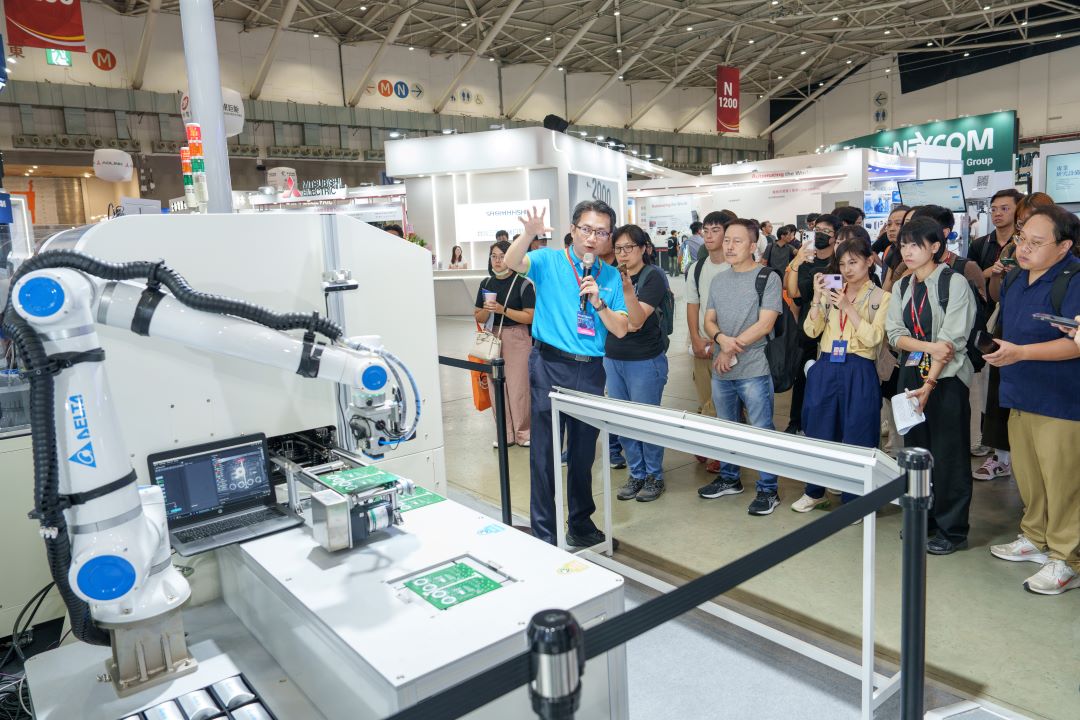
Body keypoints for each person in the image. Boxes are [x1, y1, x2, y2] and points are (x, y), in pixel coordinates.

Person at [504, 201, 637, 547]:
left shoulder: (610, 276)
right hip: (550, 365)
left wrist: (599, 303)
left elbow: (621, 329)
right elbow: (512, 262)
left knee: (583, 454)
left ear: (609, 236)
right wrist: (528, 235)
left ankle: (580, 524)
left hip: (591, 370)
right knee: (545, 455)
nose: (593, 238)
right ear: (573, 229)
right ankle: (545, 535)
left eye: (601, 232)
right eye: (587, 229)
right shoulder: (548, 260)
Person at [985, 205, 1080, 595]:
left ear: (1064, 247)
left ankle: (1067, 558)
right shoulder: (1015, 278)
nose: (1023, 248)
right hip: (1019, 391)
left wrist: (1022, 353)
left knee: (1063, 482)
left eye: (1036, 243)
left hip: (1061, 400)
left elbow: (1076, 344)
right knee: (1029, 475)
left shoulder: (1073, 280)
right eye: (1022, 239)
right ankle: (1035, 536)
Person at [886, 216, 976, 555]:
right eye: (903, 245)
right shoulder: (902, 286)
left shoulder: (954, 283)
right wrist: (928, 348)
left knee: (949, 454)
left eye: (915, 245)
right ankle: (924, 519)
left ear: (935, 246)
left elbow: (951, 341)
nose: (907, 252)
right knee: (917, 451)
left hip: (946, 379)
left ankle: (953, 529)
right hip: (912, 375)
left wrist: (931, 381)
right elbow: (895, 334)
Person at [792, 229, 891, 512]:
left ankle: (854, 500)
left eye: (853, 262)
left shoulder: (882, 297)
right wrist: (817, 298)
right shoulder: (832, 291)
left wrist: (847, 307)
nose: (847, 269)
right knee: (818, 429)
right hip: (826, 365)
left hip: (859, 367)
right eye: (843, 263)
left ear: (869, 261)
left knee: (858, 432)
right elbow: (812, 330)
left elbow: (874, 338)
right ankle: (814, 491)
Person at [700, 219, 784, 516]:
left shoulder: (767, 278)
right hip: (722, 368)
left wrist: (729, 348)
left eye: (737, 241)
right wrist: (721, 341)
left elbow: (765, 324)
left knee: (762, 430)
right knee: (726, 427)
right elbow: (708, 320)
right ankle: (729, 478)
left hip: (754, 368)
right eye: (727, 240)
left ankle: (768, 489)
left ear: (752, 245)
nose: (730, 246)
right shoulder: (718, 280)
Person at [977, 192, 1055, 481]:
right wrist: (999, 274)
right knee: (1002, 396)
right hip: (1010, 331)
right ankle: (1003, 457)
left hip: (1045, 341)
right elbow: (999, 296)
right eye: (1021, 225)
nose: (1025, 233)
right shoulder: (1012, 249)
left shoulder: (1066, 265)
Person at [605, 224, 670, 502]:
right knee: (623, 421)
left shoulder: (653, 276)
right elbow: (603, 317)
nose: (623, 253)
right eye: (618, 248)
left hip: (644, 359)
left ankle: (654, 476)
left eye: (629, 247)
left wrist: (626, 293)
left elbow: (636, 320)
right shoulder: (609, 275)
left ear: (643, 248)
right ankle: (637, 473)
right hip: (613, 358)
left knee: (646, 421)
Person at [474, 241, 535, 447]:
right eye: (494, 256)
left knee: (518, 387)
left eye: (502, 256)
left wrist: (503, 310)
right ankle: (505, 433)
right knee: (495, 385)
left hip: (517, 336)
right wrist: (488, 310)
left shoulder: (523, 283)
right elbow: (478, 316)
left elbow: (530, 316)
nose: (497, 261)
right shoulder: (486, 283)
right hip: (492, 336)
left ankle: (523, 433)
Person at [785, 213, 842, 434]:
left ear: (835, 236)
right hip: (809, 327)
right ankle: (796, 422)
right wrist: (797, 262)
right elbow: (793, 292)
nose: (820, 235)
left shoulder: (840, 263)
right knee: (803, 378)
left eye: (827, 231)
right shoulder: (807, 261)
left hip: (835, 330)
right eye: (817, 230)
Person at [685, 211, 731, 474]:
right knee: (706, 398)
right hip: (703, 345)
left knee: (725, 403)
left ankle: (719, 452)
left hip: (731, 346)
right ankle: (711, 445)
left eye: (716, 230)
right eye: (706, 230)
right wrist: (694, 337)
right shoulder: (697, 267)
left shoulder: (736, 266)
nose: (709, 235)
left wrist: (721, 342)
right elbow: (693, 304)